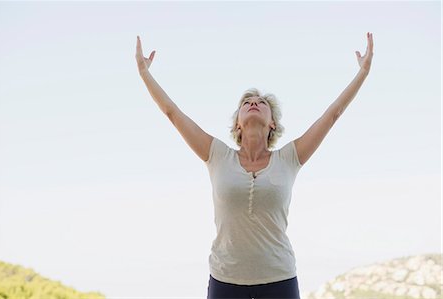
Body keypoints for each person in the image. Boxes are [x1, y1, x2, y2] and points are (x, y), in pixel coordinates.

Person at [135, 32, 374, 299]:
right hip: (225, 280)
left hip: (279, 279)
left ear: (272, 122)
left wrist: (362, 73)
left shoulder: (289, 158)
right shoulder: (217, 154)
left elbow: (332, 115)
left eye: (261, 103)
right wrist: (145, 73)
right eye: (246, 102)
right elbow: (173, 113)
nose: (253, 103)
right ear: (237, 123)